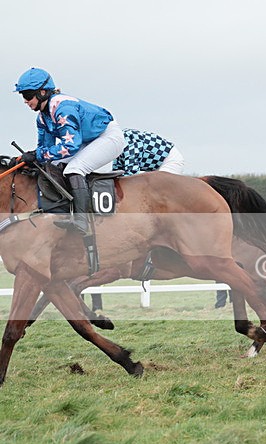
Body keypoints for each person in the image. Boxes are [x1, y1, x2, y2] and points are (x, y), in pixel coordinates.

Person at [13, 67, 125, 236]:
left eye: (27, 95)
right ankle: (63, 212)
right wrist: (27, 158)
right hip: (87, 140)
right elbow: (45, 151)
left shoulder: (62, 108)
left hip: (108, 137)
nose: (25, 101)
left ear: (42, 92)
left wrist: (38, 154)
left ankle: (82, 220)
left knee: (75, 168)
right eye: (23, 96)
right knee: (51, 165)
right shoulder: (43, 117)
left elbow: (70, 146)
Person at [89, 128, 186, 311]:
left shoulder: (126, 143)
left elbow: (132, 182)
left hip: (169, 162)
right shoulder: (111, 147)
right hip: (149, 168)